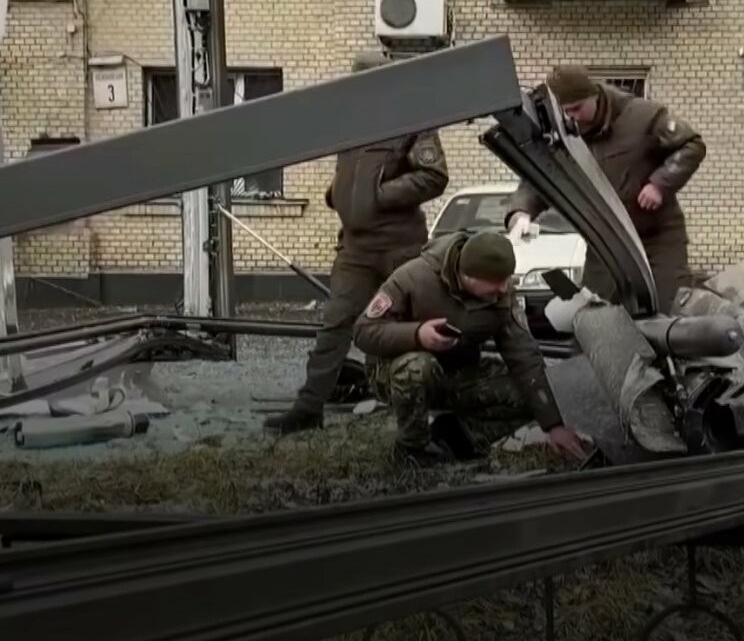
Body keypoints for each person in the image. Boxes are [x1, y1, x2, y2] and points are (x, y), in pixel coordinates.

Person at [264, 51, 450, 435]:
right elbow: (347, 173)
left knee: (411, 327)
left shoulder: (412, 120)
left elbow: (434, 175)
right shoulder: (349, 123)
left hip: (401, 248)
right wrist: (337, 194)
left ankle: (425, 412)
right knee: (335, 324)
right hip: (356, 249)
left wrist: (377, 195)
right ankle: (308, 408)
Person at [352, 230, 588, 465]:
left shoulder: (502, 295)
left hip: (458, 373)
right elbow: (364, 331)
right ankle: (412, 448)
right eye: (496, 281)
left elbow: (524, 356)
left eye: (507, 279)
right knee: (417, 366)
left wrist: (553, 424)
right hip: (396, 374)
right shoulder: (412, 277)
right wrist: (417, 334)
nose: (504, 289)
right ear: (467, 276)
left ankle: (457, 437)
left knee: (529, 394)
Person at [505, 66, 706, 311]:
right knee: (597, 313)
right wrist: (521, 212)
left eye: (577, 108)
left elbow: (691, 145)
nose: (572, 118)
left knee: (668, 308)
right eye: (565, 112)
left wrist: (660, 184)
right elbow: (540, 176)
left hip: (657, 239)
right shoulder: (560, 133)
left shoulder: (642, 116)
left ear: (595, 97)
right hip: (605, 244)